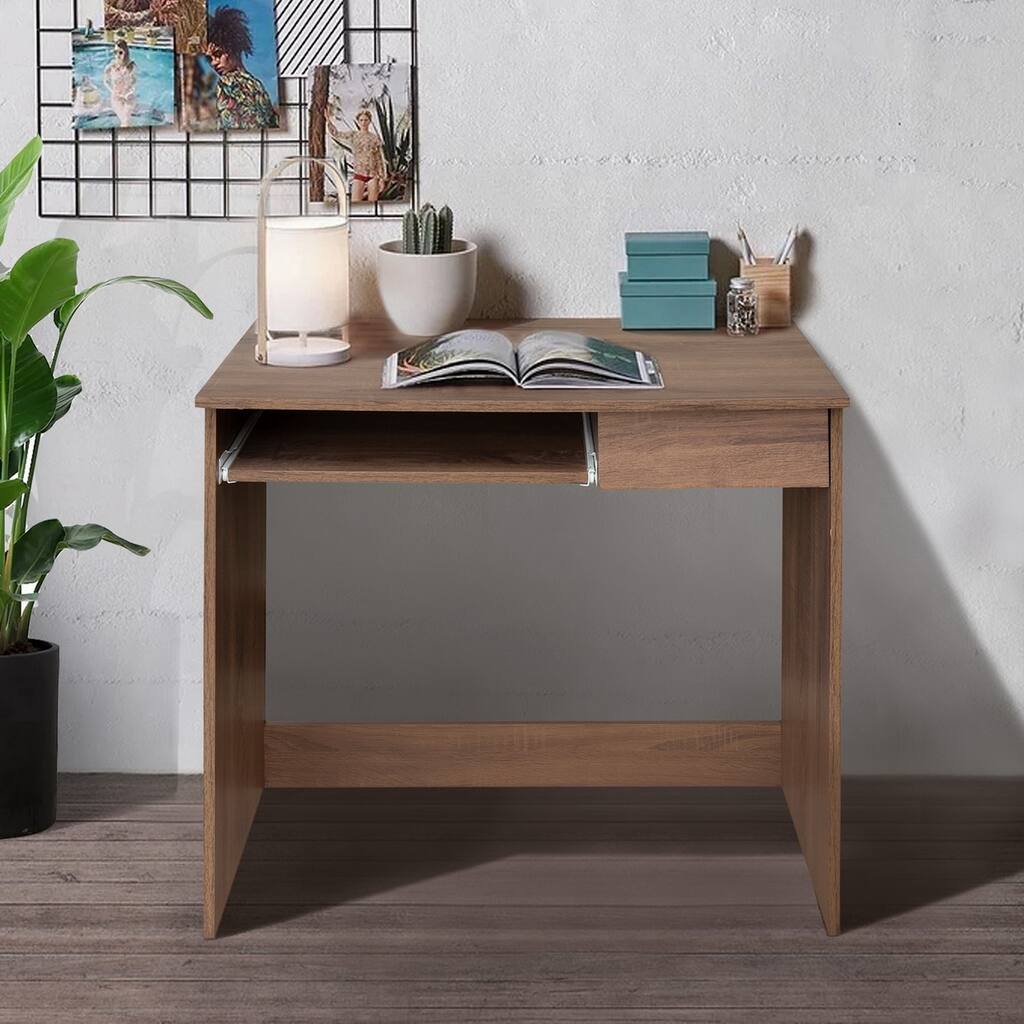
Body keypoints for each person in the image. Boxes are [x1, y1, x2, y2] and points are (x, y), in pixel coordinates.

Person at [204, 5, 277, 129]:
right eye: (209, 58)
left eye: (218, 54)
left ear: (234, 49)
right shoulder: (257, 86)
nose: (213, 63)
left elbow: (230, 127)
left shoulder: (227, 82)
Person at [331, 108, 386, 202]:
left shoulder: (374, 138)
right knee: (355, 203)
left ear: (369, 121)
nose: (363, 122)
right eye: (361, 120)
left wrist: (382, 178)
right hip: (359, 174)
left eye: (366, 120)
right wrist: (328, 120)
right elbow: (336, 134)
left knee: (372, 205)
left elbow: (379, 159)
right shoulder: (354, 135)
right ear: (358, 121)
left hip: (373, 175)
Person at [103, 39, 137, 128]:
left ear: (126, 52)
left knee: (125, 121)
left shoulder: (132, 66)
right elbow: (105, 81)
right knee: (125, 121)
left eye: (120, 52)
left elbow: (134, 82)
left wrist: (130, 93)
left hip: (129, 98)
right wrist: (113, 92)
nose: (117, 55)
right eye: (115, 52)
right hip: (116, 98)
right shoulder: (110, 67)